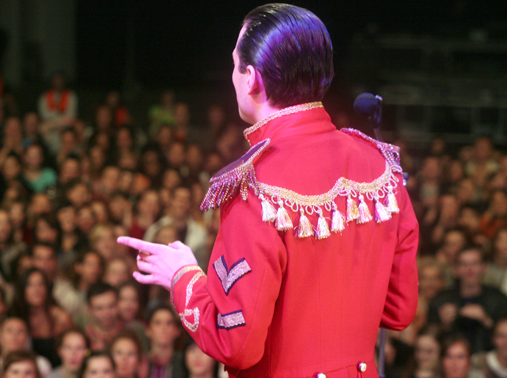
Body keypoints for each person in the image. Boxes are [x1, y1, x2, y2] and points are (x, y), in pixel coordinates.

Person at [118, 4, 419, 378]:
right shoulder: (383, 167)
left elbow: (236, 345)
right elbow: (399, 311)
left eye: (234, 65)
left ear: (252, 79)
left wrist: (182, 276)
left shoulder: (255, 184)